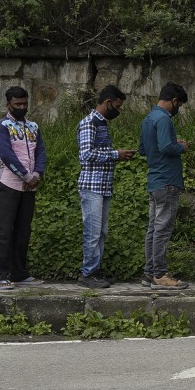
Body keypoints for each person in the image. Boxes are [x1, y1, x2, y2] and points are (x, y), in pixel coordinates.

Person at [77, 85, 136, 289]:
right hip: (91, 186)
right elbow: (85, 155)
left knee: (100, 232)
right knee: (92, 232)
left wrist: (119, 156)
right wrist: (114, 154)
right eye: (117, 106)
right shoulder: (89, 123)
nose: (118, 110)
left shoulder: (102, 124)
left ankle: (95, 269)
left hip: (103, 186)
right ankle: (87, 273)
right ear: (108, 102)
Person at [0, 87, 47, 291]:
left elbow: (40, 151)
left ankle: (19, 273)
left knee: (23, 231)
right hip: (8, 185)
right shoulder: (1, 126)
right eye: (17, 105)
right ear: (8, 104)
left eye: (24, 104)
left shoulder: (33, 126)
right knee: (4, 231)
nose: (22, 108)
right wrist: (26, 176)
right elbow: (7, 155)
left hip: (29, 187)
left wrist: (37, 175)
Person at [139, 82, 190, 289]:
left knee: (153, 228)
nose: (178, 109)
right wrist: (181, 146)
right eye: (179, 104)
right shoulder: (163, 119)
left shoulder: (148, 118)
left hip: (154, 180)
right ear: (174, 101)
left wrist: (169, 143)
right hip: (167, 181)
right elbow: (166, 146)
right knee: (162, 229)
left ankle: (149, 273)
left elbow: (144, 149)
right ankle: (160, 274)